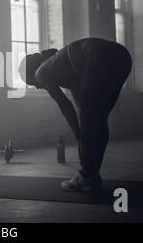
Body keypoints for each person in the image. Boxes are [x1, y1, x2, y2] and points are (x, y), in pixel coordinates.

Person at [19, 38, 132, 192]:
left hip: (100, 56)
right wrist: (84, 134)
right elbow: (80, 107)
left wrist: (80, 137)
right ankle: (91, 175)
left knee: (91, 121)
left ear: (32, 74)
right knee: (97, 119)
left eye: (33, 84)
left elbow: (65, 106)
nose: (38, 87)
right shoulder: (66, 68)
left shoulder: (40, 73)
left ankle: (86, 176)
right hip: (122, 56)